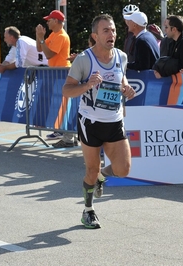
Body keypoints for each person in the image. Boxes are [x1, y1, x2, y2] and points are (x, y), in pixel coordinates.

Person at [62, 14, 135, 229]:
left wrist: (126, 87)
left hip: (114, 120)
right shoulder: (84, 59)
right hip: (90, 122)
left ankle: (104, 176)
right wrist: (87, 85)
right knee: (91, 171)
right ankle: (88, 210)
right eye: (106, 31)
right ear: (95, 36)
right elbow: (66, 90)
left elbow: (121, 78)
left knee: (123, 169)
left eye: (113, 30)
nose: (111, 34)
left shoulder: (121, 56)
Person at [36, 10, 76, 148]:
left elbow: (49, 55)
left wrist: (41, 38)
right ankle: (67, 134)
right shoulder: (54, 34)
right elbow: (40, 48)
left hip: (62, 74)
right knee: (60, 105)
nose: (47, 22)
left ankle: (68, 137)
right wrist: (39, 36)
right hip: (57, 74)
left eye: (49, 20)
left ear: (56, 21)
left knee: (64, 106)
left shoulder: (61, 36)